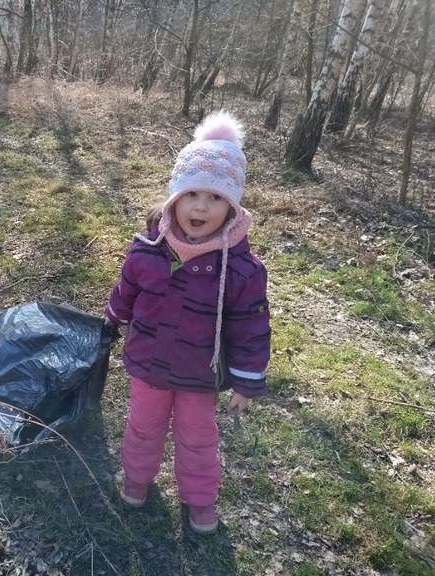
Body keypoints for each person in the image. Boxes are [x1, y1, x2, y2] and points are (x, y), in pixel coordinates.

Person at [104, 111, 271, 534]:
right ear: (173, 198)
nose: (200, 206)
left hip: (200, 374)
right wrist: (111, 320)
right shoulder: (147, 250)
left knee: (198, 439)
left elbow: (250, 326)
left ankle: (199, 499)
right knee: (143, 428)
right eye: (191, 193)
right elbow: (127, 290)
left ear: (231, 209)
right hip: (148, 365)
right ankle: (138, 479)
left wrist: (248, 380)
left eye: (215, 198)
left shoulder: (241, 269)